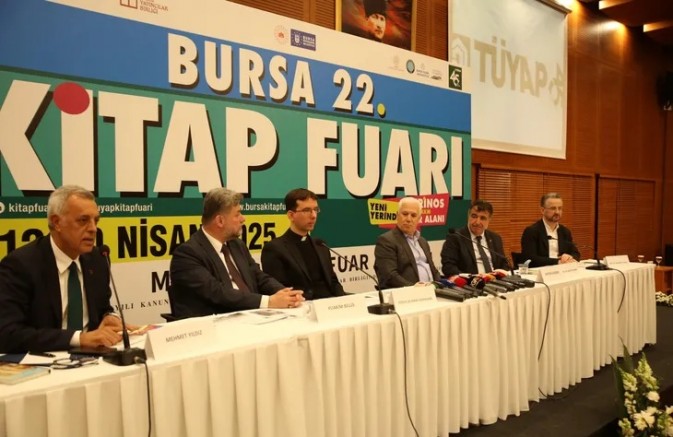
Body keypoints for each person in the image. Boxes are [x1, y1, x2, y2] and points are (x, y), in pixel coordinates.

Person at [0, 185, 124, 353]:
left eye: (96, 220)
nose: (93, 228)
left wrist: (110, 317)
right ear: (57, 222)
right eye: (83, 220)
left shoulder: (97, 259)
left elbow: (103, 308)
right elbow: (7, 334)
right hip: (45, 360)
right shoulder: (21, 265)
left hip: (94, 359)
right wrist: (78, 339)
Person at [169, 187, 304, 318]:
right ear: (220, 221)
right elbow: (217, 293)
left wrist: (285, 294)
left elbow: (258, 276)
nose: (243, 219)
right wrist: (268, 302)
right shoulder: (187, 254)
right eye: (237, 214)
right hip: (216, 324)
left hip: (252, 318)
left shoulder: (236, 245)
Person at [261, 189, 345, 300]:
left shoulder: (321, 245)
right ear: (291, 215)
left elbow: (333, 281)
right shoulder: (275, 249)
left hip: (330, 304)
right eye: (307, 210)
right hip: (302, 305)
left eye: (315, 210)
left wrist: (343, 301)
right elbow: (279, 290)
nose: (313, 215)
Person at [374, 197, 441, 289]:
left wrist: (440, 284)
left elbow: (433, 270)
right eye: (405, 214)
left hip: (431, 291)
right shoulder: (386, 240)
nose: (409, 219)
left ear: (419, 219)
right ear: (397, 215)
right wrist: (413, 288)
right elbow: (390, 275)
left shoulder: (423, 241)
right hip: (407, 294)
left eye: (413, 215)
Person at [440, 200, 509, 276]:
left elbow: (504, 264)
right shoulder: (455, 238)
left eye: (482, 218)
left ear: (489, 220)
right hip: (470, 281)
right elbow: (448, 267)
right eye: (474, 216)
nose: (477, 222)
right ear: (468, 215)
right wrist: (470, 277)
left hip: (494, 280)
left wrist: (499, 275)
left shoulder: (495, 238)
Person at [521, 192, 580, 267]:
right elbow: (530, 258)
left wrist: (569, 257)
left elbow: (576, 253)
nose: (557, 212)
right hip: (541, 271)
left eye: (560, 208)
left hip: (563, 270)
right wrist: (557, 262)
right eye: (553, 208)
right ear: (542, 210)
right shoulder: (531, 231)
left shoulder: (565, 231)